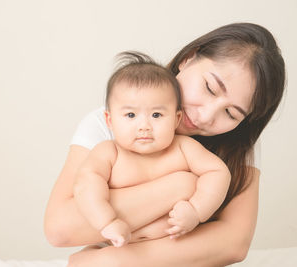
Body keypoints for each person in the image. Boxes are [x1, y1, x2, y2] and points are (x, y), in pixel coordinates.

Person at [44, 22, 285, 267]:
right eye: (210, 88)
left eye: (231, 114)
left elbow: (234, 244)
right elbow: (59, 229)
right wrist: (182, 185)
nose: (206, 116)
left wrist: (113, 261)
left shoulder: (234, 145)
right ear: (189, 58)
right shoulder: (111, 125)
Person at [73, 52, 231, 248]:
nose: (144, 126)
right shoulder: (107, 153)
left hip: (171, 248)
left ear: (176, 119)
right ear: (110, 121)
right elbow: (85, 186)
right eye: (130, 115)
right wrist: (106, 222)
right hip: (116, 246)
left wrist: (196, 210)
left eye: (156, 114)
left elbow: (218, 172)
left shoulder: (184, 148)